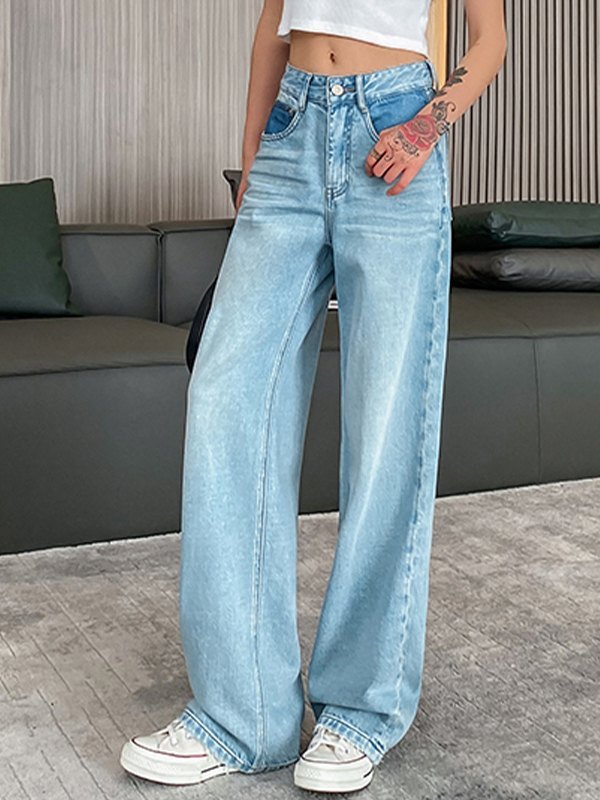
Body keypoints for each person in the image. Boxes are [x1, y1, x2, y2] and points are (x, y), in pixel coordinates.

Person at [120, 0, 507, 793]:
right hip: (292, 130)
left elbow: (490, 36)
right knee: (227, 398)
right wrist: (254, 154)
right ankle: (242, 715)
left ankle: (360, 709)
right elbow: (274, 23)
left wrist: (427, 125)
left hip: (395, 123)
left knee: (385, 425)